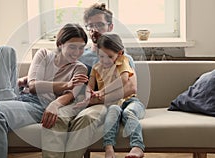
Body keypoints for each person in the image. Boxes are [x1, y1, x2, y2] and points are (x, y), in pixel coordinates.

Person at [42, 3, 141, 158]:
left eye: (100, 25)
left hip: (101, 103)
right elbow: (60, 74)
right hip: (77, 100)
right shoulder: (78, 54)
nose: (95, 29)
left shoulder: (122, 57)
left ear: (110, 26)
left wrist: (97, 99)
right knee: (58, 117)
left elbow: (130, 88)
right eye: (90, 26)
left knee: (87, 117)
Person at [0, 23, 89, 158]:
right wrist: (66, 84)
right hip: (17, 95)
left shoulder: (80, 69)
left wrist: (54, 104)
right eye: (72, 47)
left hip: (37, 106)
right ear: (60, 44)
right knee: (4, 51)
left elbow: (69, 96)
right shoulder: (44, 54)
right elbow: (33, 86)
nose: (77, 52)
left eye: (81, 48)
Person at [76, 33, 146, 158]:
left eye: (109, 56)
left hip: (130, 102)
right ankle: (108, 148)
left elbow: (123, 80)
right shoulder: (96, 68)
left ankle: (137, 147)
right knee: (112, 111)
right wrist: (89, 96)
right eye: (101, 56)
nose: (105, 60)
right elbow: (90, 86)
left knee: (128, 112)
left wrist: (101, 92)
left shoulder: (123, 62)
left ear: (119, 54)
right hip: (112, 104)